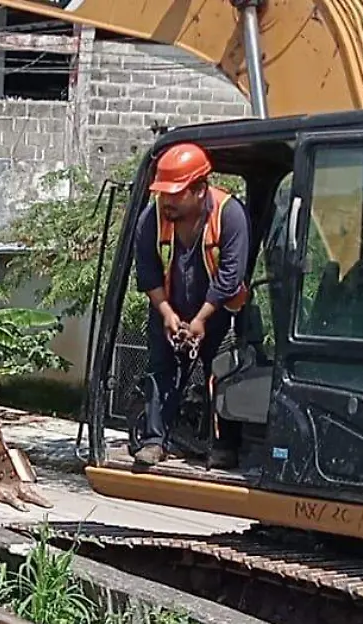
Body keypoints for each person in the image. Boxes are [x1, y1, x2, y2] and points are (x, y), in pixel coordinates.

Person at [131, 142, 249, 470]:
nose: (166, 200)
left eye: (174, 193)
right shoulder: (151, 218)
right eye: (163, 193)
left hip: (220, 312)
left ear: (199, 190)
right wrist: (167, 314)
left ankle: (225, 446)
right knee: (161, 371)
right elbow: (148, 272)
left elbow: (230, 275)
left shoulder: (230, 214)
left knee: (223, 373)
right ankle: (155, 442)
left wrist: (200, 320)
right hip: (170, 308)